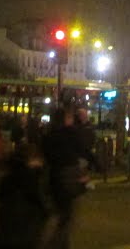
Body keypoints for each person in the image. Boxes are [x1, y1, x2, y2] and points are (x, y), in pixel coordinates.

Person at [42, 105, 91, 249]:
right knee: (66, 216)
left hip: (53, 178)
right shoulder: (70, 134)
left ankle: (61, 244)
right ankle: (56, 244)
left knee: (61, 214)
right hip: (67, 178)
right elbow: (83, 150)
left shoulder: (49, 134)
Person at [0, 143, 50, 249]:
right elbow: (37, 199)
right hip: (25, 225)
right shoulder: (29, 177)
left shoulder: (7, 176)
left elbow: (0, 196)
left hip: (7, 223)